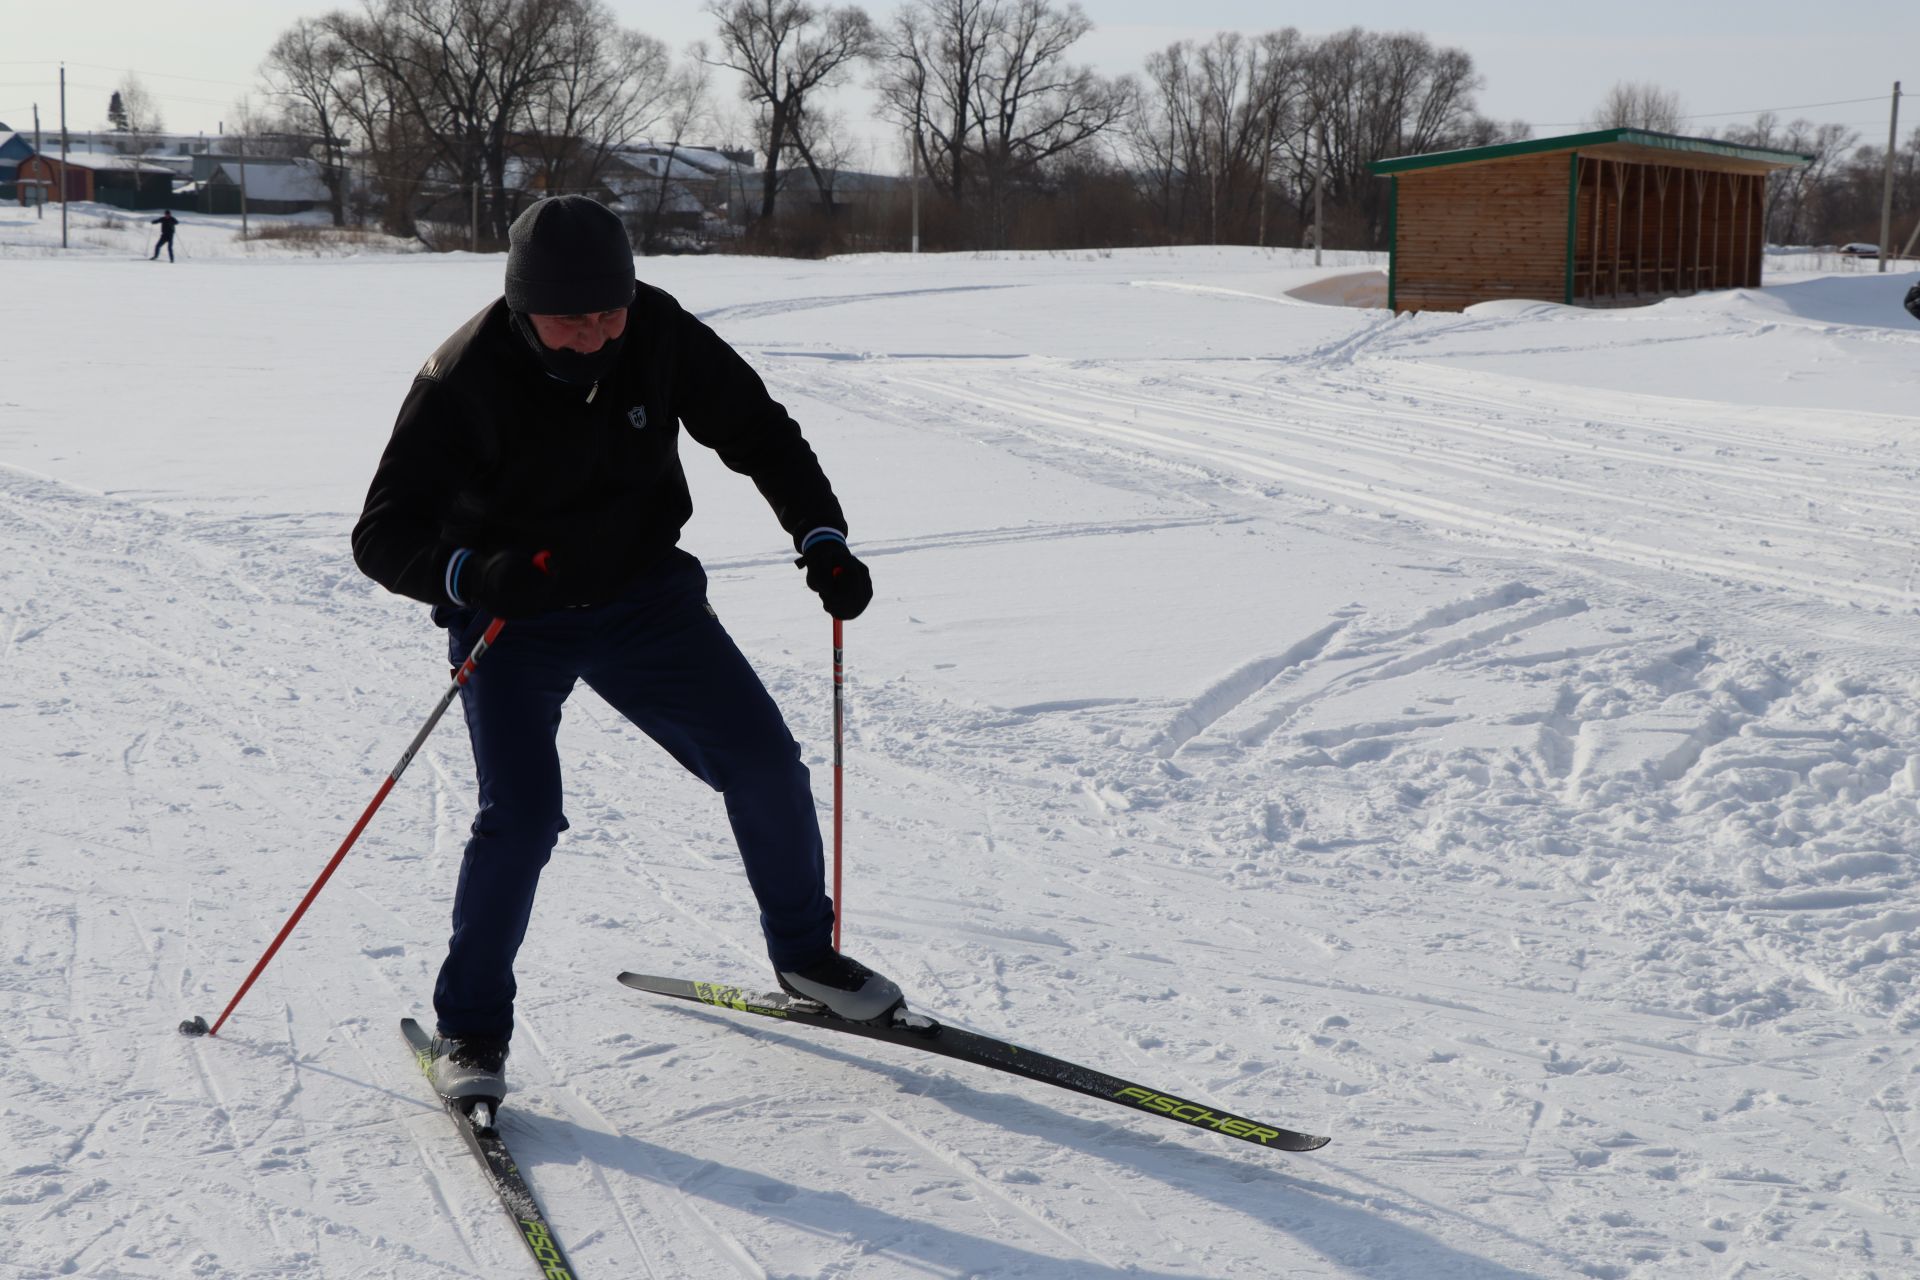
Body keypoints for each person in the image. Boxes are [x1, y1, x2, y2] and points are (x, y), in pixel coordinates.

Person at [351, 195, 902, 1102]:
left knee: (766, 764)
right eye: (576, 321)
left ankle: (807, 958)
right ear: (526, 307)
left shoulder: (655, 328)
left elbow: (759, 432)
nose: (599, 336)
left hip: (645, 598)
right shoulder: (462, 377)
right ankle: (472, 1031)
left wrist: (822, 537)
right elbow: (381, 535)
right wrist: (475, 575)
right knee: (522, 818)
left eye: (612, 313)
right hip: (513, 618)